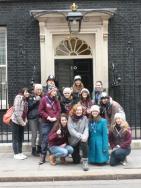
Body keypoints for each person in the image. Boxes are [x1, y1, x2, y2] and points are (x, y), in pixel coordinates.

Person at [38, 86, 61, 164]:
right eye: (54, 91)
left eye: (56, 91)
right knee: (45, 138)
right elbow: (40, 111)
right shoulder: (44, 99)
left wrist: (55, 117)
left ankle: (52, 155)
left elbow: (59, 110)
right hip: (46, 122)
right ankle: (43, 156)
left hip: (54, 122)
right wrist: (48, 117)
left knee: (53, 138)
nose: (55, 92)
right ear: (50, 91)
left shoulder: (56, 100)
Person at [68, 104, 89, 171]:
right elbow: (71, 130)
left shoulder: (85, 118)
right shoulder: (70, 118)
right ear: (74, 111)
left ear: (82, 111)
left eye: (80, 110)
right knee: (76, 161)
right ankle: (78, 155)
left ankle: (85, 161)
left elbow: (86, 128)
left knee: (84, 142)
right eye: (77, 110)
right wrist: (80, 135)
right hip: (73, 140)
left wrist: (85, 136)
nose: (78, 111)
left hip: (82, 139)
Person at [11, 87, 29, 160]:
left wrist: (25, 120)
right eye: (26, 92)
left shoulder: (25, 100)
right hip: (16, 121)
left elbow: (24, 112)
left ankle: (20, 152)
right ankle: (16, 154)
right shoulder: (19, 98)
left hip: (22, 121)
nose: (27, 93)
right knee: (15, 138)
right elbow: (17, 112)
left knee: (20, 138)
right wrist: (22, 123)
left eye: (28, 92)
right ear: (22, 92)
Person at [28, 84, 43, 156]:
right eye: (38, 89)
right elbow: (29, 107)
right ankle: (33, 149)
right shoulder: (30, 96)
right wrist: (35, 101)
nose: (39, 91)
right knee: (34, 134)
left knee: (42, 133)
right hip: (32, 118)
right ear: (35, 90)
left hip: (41, 117)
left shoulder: (43, 96)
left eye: (40, 89)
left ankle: (39, 148)